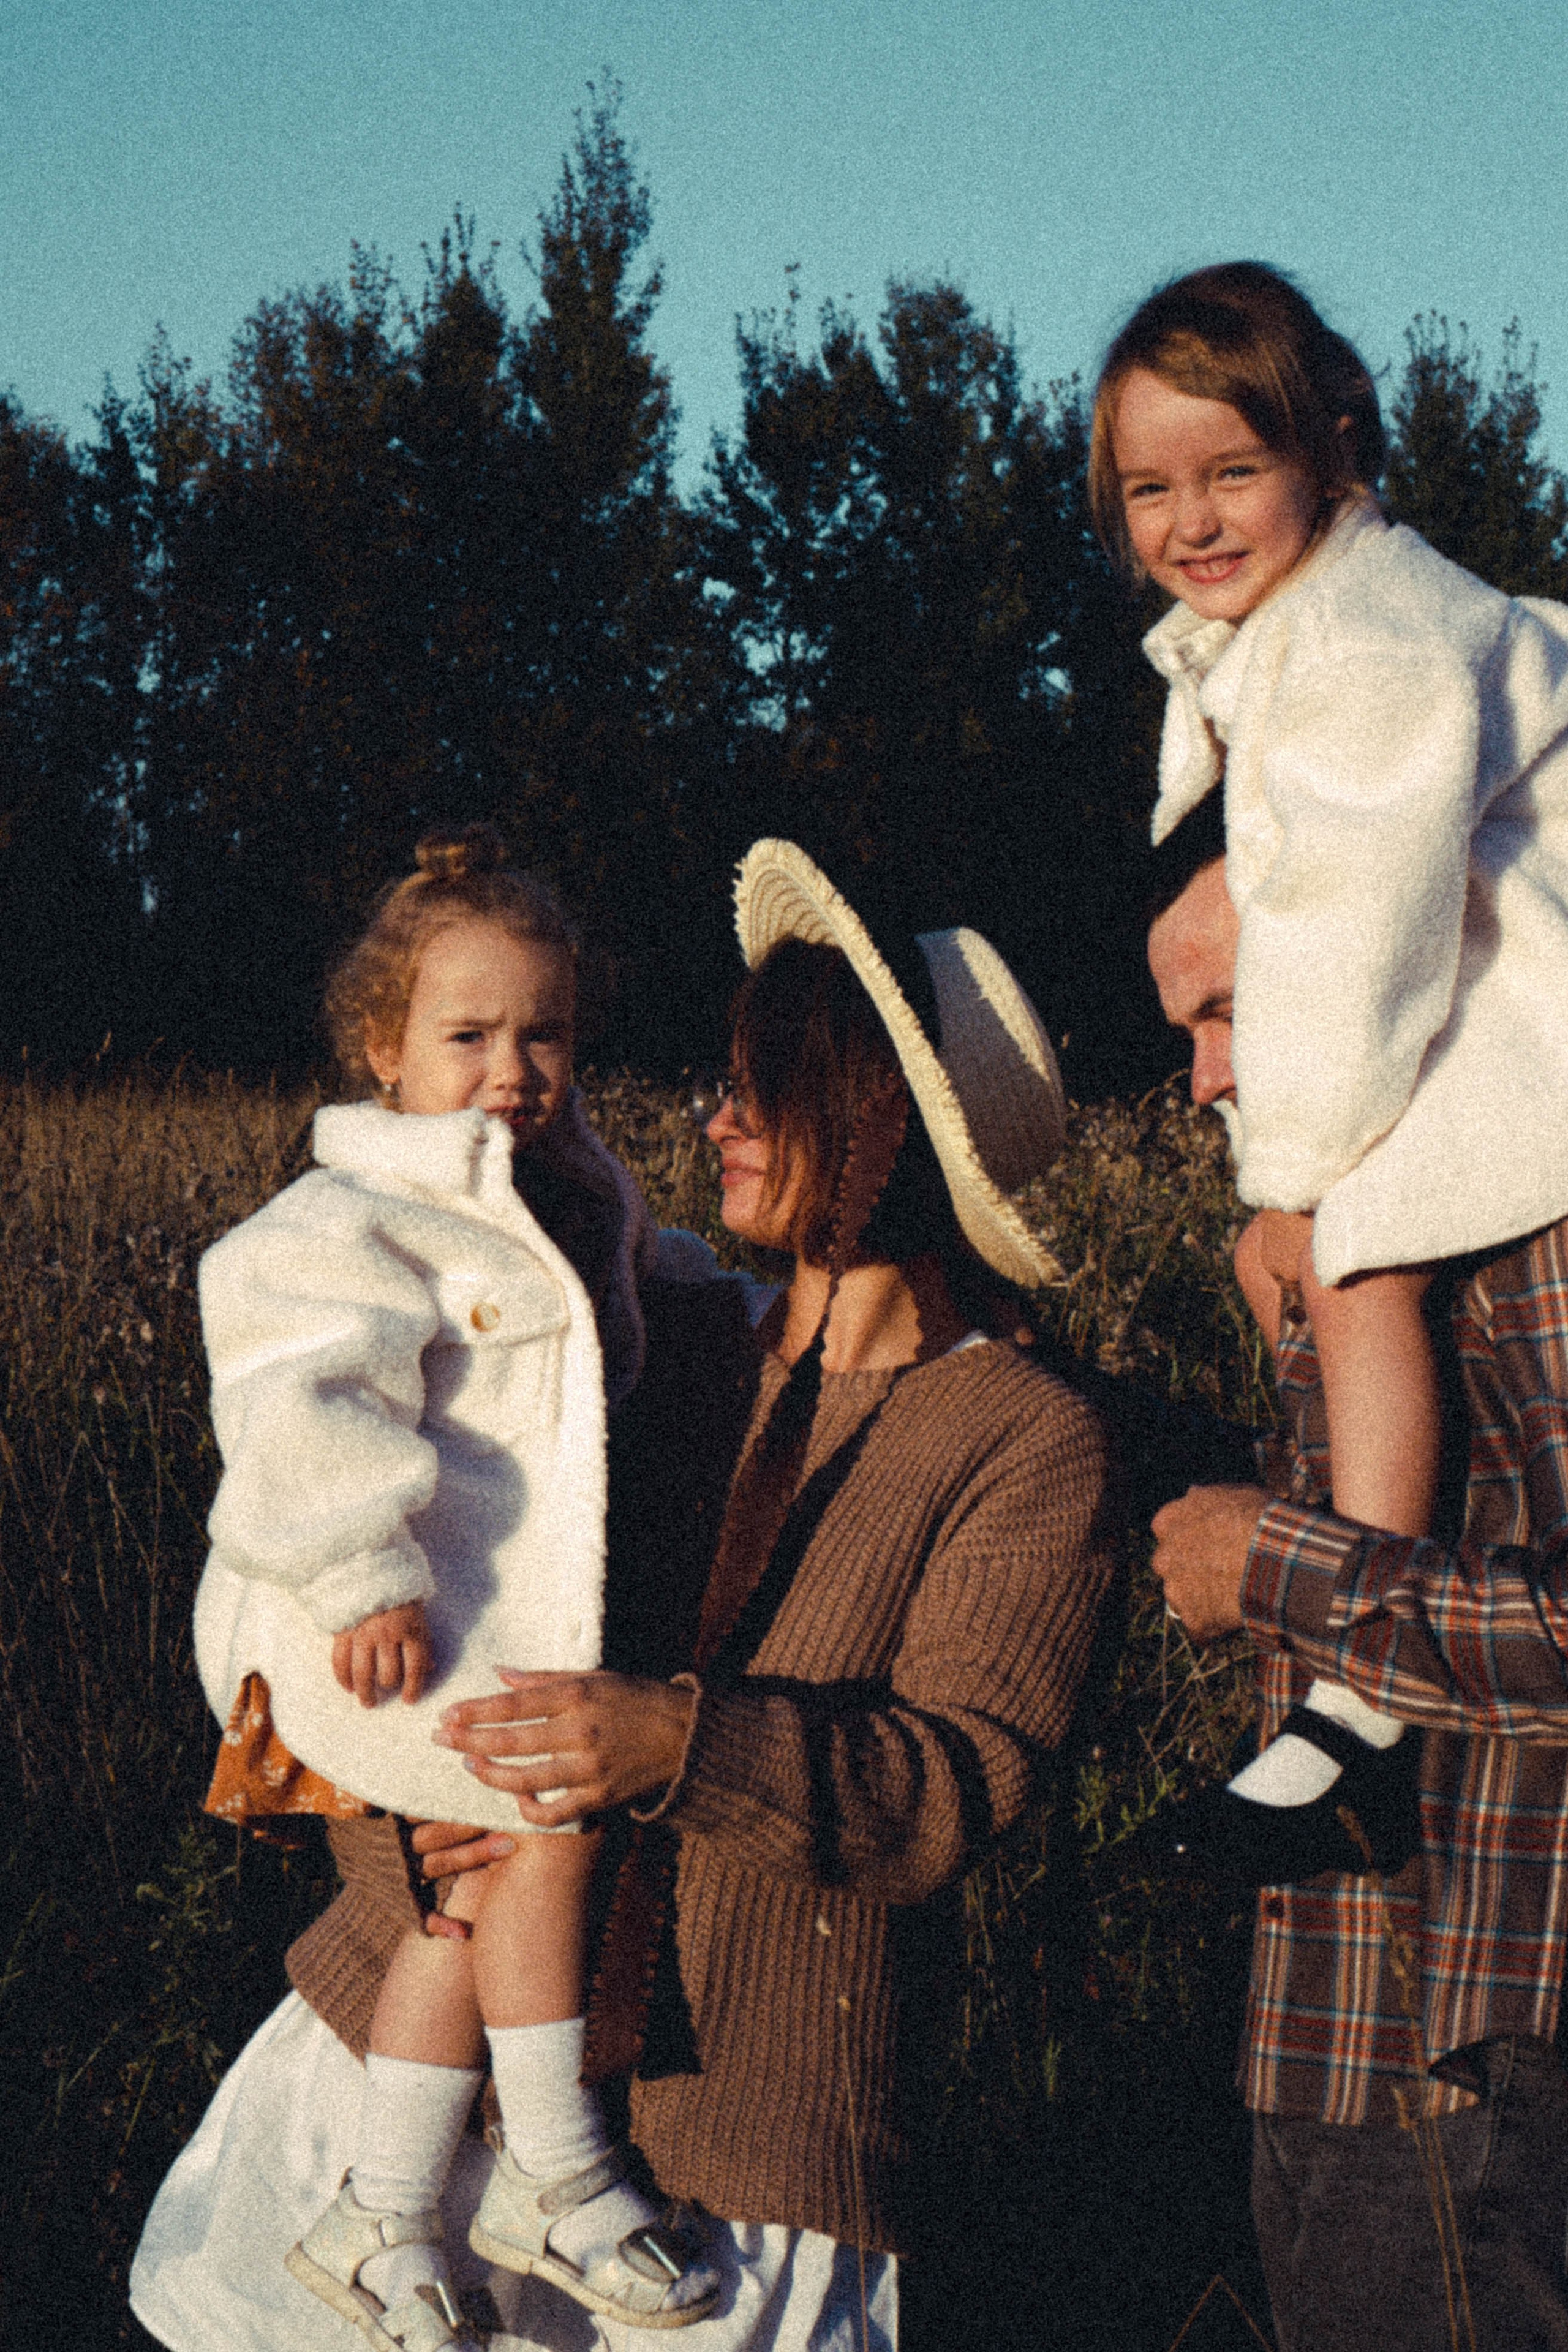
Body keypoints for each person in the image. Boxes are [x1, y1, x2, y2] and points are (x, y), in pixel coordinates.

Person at [170, 824, 721, 2350]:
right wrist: (360, 1570)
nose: (512, 1070)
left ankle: (378, 2212)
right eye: (467, 1035)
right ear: (381, 1049)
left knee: (458, 1905)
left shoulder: (565, 1192)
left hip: (465, 1616)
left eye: (543, 1034)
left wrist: (709, 1298)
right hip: (361, 1619)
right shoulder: (348, 1215)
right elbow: (294, 1394)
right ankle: (555, 2164)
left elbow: (612, 1310)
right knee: (547, 1830)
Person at [1093, 260, 1568, 1874]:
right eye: (1152, 488)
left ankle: (1356, 1707)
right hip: (1480, 983)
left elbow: (1358, 937)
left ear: (1337, 451)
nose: (1193, 521)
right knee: (1347, 1273)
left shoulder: (1366, 644)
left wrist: (1293, 1186)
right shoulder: (1324, 621)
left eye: (1236, 472)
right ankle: (1354, 1675)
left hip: (1515, 1012)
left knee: (1353, 1269)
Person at [1148, 834, 1568, 2351]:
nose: (1199, 1082)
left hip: (1473, 2046)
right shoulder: (1331, 1228)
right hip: (1328, 2034)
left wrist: (1270, 1563)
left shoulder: (1543, 1241)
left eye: (1224, 1016)